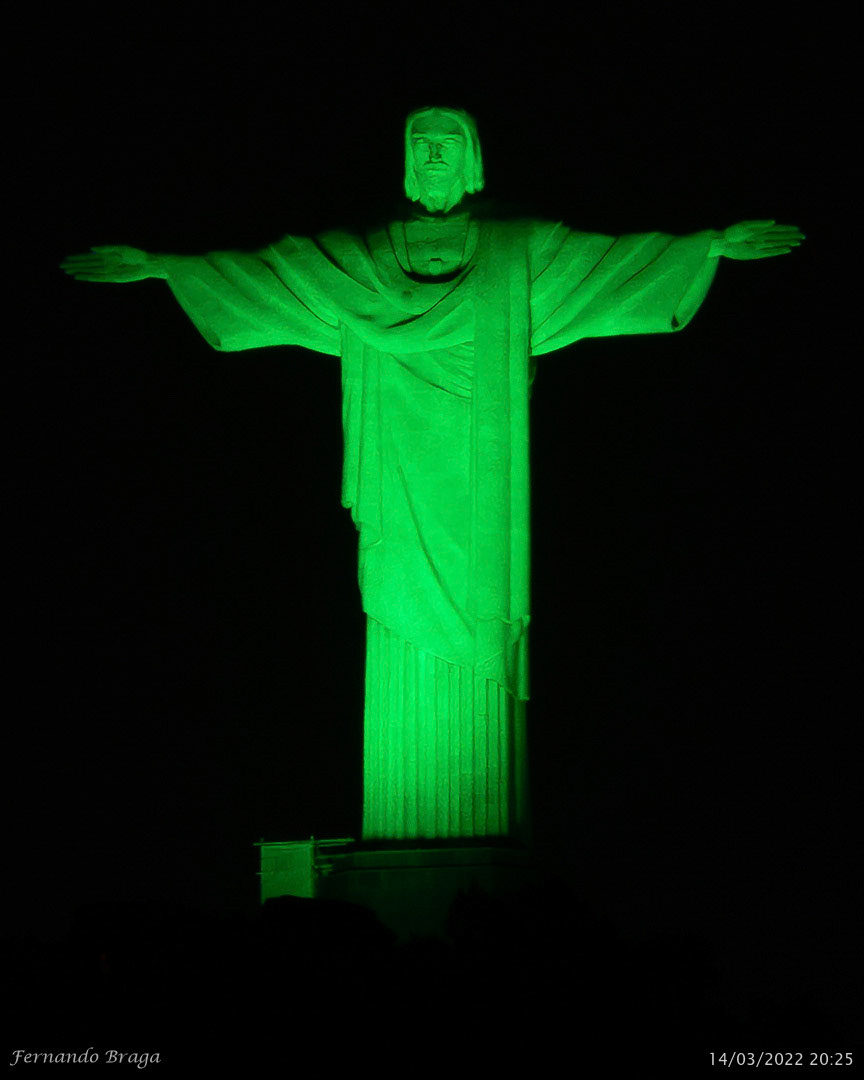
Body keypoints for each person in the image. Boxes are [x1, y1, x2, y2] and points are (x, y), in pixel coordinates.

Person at [61, 106, 804, 844]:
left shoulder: (517, 255)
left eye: (450, 143)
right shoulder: (361, 261)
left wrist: (707, 247)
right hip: (398, 485)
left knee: (479, 643)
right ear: (406, 159)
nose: (437, 155)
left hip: (482, 497)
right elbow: (274, 276)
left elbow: (611, 266)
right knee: (395, 616)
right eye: (423, 143)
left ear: (474, 156)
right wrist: (166, 266)